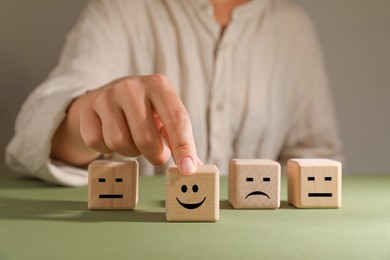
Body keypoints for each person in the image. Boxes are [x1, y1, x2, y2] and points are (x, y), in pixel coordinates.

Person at [6, 0, 343, 186]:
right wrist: (88, 112)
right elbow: (30, 140)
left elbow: (318, 158)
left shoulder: (293, 27)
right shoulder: (121, 9)